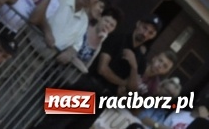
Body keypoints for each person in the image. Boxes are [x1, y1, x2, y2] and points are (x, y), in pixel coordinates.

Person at [35, 14, 163, 129]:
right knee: (53, 124)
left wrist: (133, 66)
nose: (145, 33)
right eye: (145, 28)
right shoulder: (117, 38)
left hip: (104, 99)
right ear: (138, 24)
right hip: (88, 86)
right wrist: (123, 82)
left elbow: (133, 89)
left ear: (153, 36)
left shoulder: (141, 60)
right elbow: (102, 69)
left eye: (150, 32)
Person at [29, 0, 104, 58]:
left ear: (94, 2)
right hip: (27, 44)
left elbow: (76, 45)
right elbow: (38, 13)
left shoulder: (84, 21)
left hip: (45, 60)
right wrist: (47, 30)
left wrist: (71, 52)